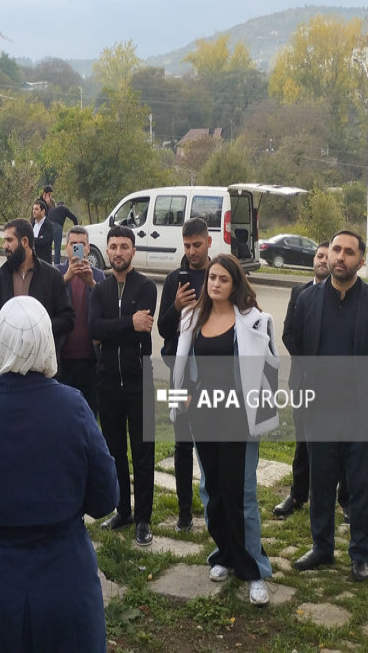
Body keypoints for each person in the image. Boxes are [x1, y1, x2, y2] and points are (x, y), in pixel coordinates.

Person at [0, 296, 118, 653]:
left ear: (1, 343)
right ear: (48, 341)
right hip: (64, 580)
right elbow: (106, 497)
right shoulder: (73, 405)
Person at [172, 254, 279, 606]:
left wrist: (264, 411)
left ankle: (253, 570)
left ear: (235, 284)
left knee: (242, 494)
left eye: (223, 279)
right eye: (212, 278)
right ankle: (224, 554)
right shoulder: (191, 316)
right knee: (212, 489)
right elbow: (181, 365)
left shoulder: (255, 321)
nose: (215, 284)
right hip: (203, 415)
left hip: (239, 418)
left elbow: (269, 369)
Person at [288, 230, 368, 583]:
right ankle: (321, 546)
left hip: (363, 414)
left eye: (349, 252)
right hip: (320, 410)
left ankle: (360, 554)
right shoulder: (308, 300)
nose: (340, 257)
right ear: (328, 255)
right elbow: (298, 346)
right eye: (336, 250)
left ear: (360, 261)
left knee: (362, 487)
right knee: (321, 483)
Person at [89, 226, 158, 546]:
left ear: (133, 250)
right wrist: (128, 323)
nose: (118, 252)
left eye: (124, 246)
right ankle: (123, 510)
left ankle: (144, 518)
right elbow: (94, 329)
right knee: (115, 450)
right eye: (113, 246)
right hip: (107, 381)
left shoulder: (146, 287)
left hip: (138, 379)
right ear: (107, 249)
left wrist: (117, 329)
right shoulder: (99, 291)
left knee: (143, 452)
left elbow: (143, 331)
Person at [156, 218, 212, 533]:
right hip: (180, 377)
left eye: (197, 245)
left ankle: (214, 504)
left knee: (211, 443)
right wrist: (176, 306)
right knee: (182, 444)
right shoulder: (175, 279)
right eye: (187, 245)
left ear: (208, 242)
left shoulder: (220, 275)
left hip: (211, 377)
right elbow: (164, 331)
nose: (191, 251)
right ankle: (184, 512)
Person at [273, 243, 333, 519]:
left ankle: (341, 499)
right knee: (303, 442)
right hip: (302, 380)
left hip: (333, 385)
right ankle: (298, 494)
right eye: (319, 256)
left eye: (327, 256)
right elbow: (288, 333)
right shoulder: (299, 292)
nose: (323, 260)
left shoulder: (340, 296)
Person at [0, 219, 74, 343]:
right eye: (4, 240)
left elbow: (67, 319)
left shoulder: (52, 277)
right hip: (9, 358)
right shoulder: (0, 279)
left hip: (42, 359)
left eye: (9, 240)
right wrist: (4, 336)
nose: (4, 246)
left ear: (24, 241)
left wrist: (38, 330)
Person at [56, 226, 106, 416]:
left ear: (88, 248)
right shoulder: (56, 273)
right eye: (73, 244)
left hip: (91, 360)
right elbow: (47, 301)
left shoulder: (98, 275)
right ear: (66, 247)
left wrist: (91, 283)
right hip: (63, 358)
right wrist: (66, 278)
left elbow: (106, 307)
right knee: (63, 416)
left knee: (89, 415)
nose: (77, 248)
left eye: (81, 244)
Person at [42, 185, 80, 266]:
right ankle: (57, 267)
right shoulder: (64, 208)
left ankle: (46, 265)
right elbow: (74, 218)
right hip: (57, 227)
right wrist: (77, 229)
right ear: (63, 205)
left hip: (48, 226)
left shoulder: (52, 209)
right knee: (57, 248)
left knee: (47, 247)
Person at [31, 198, 58, 265]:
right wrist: (37, 239)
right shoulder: (32, 224)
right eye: (33, 209)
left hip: (44, 262)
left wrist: (31, 239)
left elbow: (43, 242)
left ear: (43, 211)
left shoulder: (48, 225)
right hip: (32, 261)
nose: (34, 211)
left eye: (36, 209)